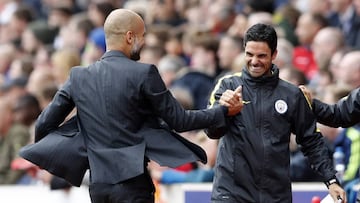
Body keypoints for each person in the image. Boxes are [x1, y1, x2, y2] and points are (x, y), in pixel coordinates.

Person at [33, 9, 242, 203]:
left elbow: (43, 125)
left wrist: (81, 148)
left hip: (99, 188)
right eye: (142, 36)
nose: (143, 42)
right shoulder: (143, 73)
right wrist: (223, 111)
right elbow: (180, 121)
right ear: (130, 36)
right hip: (133, 187)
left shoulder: (78, 76)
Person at [205, 23, 346, 203]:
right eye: (249, 54)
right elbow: (211, 132)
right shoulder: (227, 86)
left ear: (274, 55)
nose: (254, 61)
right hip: (232, 194)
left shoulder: (291, 95)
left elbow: (311, 141)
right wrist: (223, 111)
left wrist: (331, 180)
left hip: (275, 196)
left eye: (261, 56)